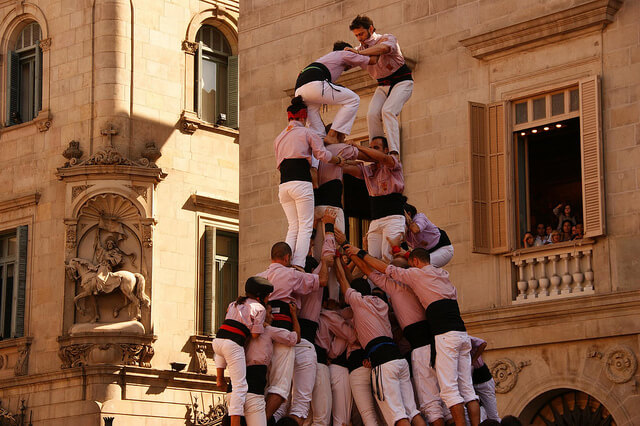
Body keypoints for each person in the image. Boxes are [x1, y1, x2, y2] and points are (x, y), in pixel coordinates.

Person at [348, 245, 481, 426]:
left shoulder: (398, 285)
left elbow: (369, 270)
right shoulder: (436, 278)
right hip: (439, 342)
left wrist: (353, 251)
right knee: (456, 395)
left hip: (424, 348)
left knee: (432, 404)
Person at [334, 254, 426, 426]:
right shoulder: (381, 303)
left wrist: (336, 260)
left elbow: (342, 280)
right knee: (413, 412)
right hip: (398, 359)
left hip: (383, 362)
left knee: (397, 415)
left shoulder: (357, 303)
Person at [256, 241, 329, 420]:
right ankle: (261, 422)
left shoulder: (259, 276)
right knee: (281, 390)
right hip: (283, 329)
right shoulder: (290, 274)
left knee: (266, 387)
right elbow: (324, 280)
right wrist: (326, 262)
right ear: (287, 258)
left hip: (261, 332)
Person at [274, 96, 341, 268]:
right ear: (303, 117)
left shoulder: (279, 138)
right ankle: (298, 264)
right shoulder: (307, 132)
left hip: (284, 186)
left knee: (293, 226)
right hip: (301, 182)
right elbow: (323, 155)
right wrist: (338, 160)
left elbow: (279, 165)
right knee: (304, 226)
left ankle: (284, 264)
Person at [346, 15, 413, 155]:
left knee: (388, 111)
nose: (359, 38)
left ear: (370, 29)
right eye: (357, 35)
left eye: (361, 34)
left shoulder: (387, 39)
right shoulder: (359, 49)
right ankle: (377, 151)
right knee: (371, 114)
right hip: (383, 86)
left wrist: (359, 53)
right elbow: (346, 63)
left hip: (402, 82)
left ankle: (394, 152)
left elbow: (382, 49)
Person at [213, 277, 273, 426]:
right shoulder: (260, 308)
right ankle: (235, 423)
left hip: (218, 340)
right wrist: (262, 324)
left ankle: (219, 378)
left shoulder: (233, 304)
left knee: (222, 351)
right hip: (234, 344)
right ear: (261, 296)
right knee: (240, 386)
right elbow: (255, 334)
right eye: (267, 296)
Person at [294, 41, 376, 144]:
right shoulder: (345, 53)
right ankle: (332, 135)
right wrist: (376, 48)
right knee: (353, 99)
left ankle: (320, 154)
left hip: (300, 92)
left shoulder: (327, 59)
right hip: (315, 85)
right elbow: (372, 61)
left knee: (318, 133)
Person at [343, 136, 405, 262]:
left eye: (376, 148)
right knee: (372, 259)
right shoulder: (368, 170)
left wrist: (358, 147)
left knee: (389, 258)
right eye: (370, 148)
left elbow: (382, 158)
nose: (371, 151)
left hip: (393, 218)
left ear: (386, 149)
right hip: (376, 220)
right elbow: (346, 169)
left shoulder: (393, 162)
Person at [244, 303, 300, 426]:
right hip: (255, 378)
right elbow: (296, 338)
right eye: (270, 314)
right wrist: (294, 315)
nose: (273, 317)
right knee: (279, 389)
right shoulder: (268, 330)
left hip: (244, 380)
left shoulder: (250, 327)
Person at [403, 201, 454, 268]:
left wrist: (406, 217)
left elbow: (415, 230)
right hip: (424, 255)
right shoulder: (404, 228)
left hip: (442, 249)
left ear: (408, 214)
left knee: (419, 266)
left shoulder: (420, 218)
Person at [469, 336, 500, 422]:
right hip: (469, 379)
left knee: (492, 415)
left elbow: (483, 343)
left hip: (482, 377)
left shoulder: (465, 337)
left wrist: (473, 360)